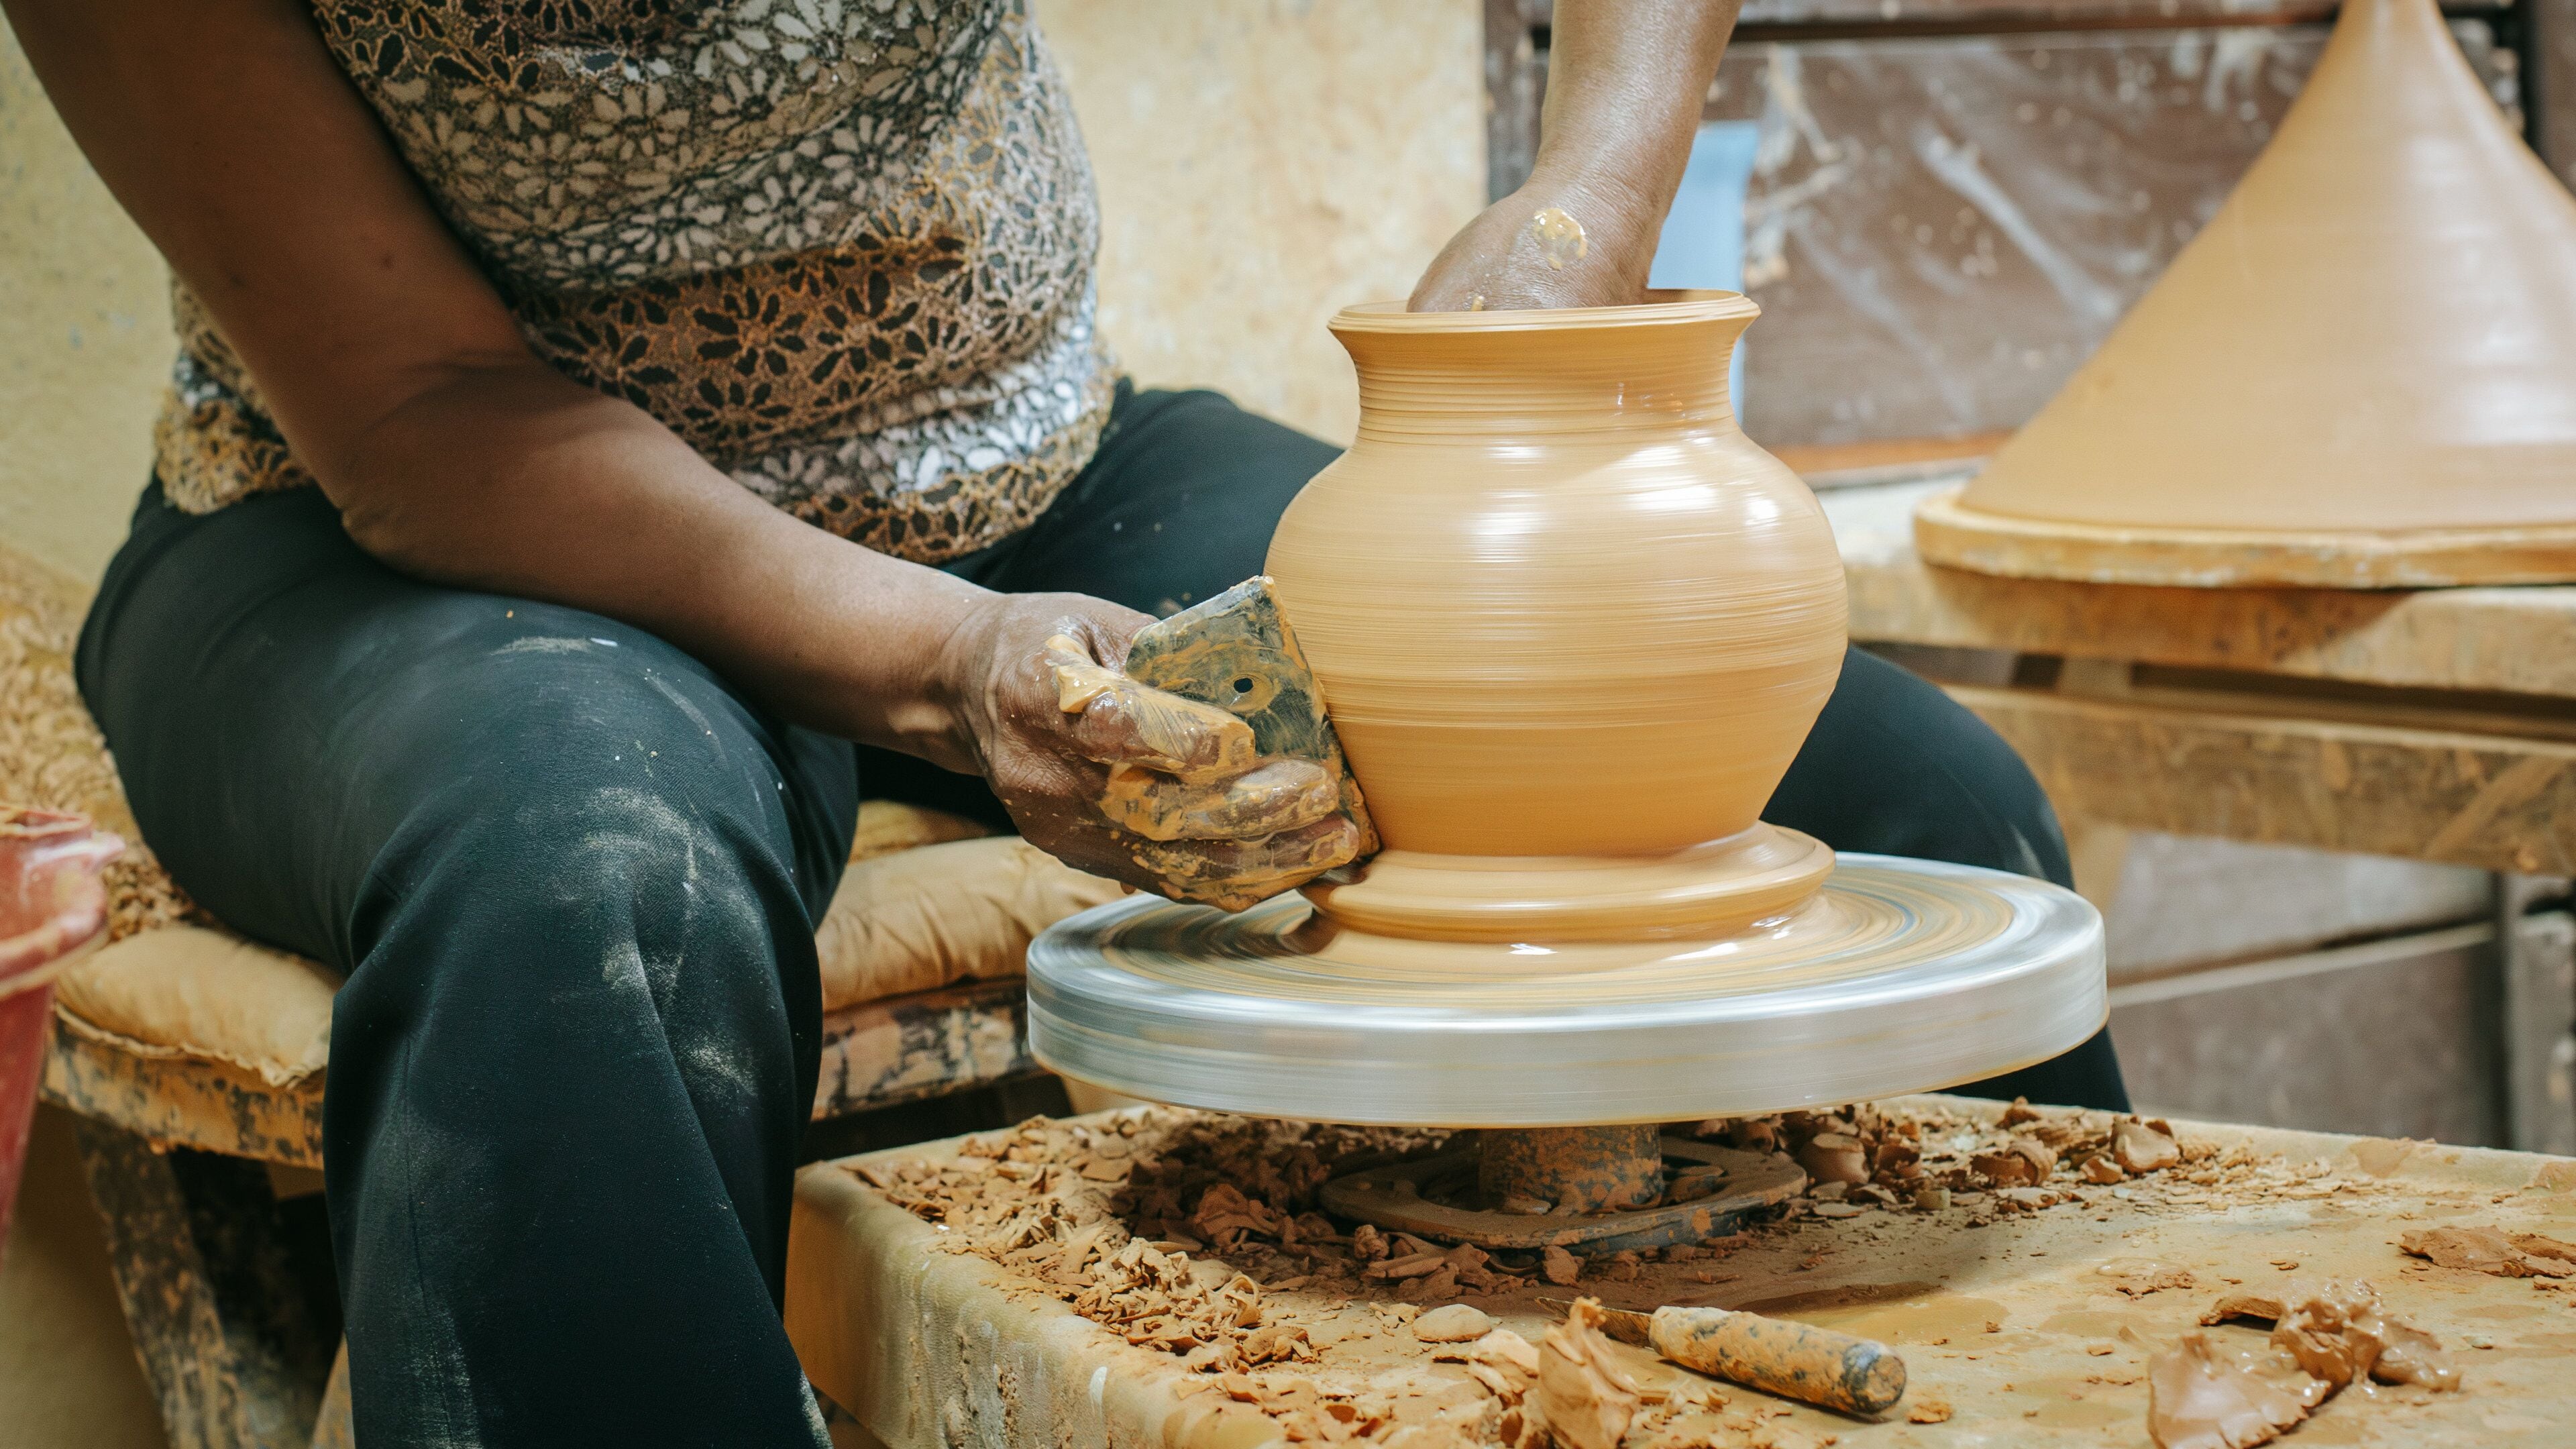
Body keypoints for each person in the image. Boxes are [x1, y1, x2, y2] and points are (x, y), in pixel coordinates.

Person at [11, 0, 2124, 1441]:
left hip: (1026, 473)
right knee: (579, 890)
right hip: (406, 531)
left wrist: (1580, 206)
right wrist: (950, 659)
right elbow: (421, 416)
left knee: (1910, 812)